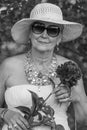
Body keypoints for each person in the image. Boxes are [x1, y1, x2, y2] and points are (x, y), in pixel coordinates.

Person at [0, 2, 87, 130]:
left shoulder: (70, 69)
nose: (44, 35)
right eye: (39, 28)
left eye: (53, 30)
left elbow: (83, 121)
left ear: (59, 38)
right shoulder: (9, 66)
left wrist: (76, 97)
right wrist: (4, 112)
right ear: (30, 33)